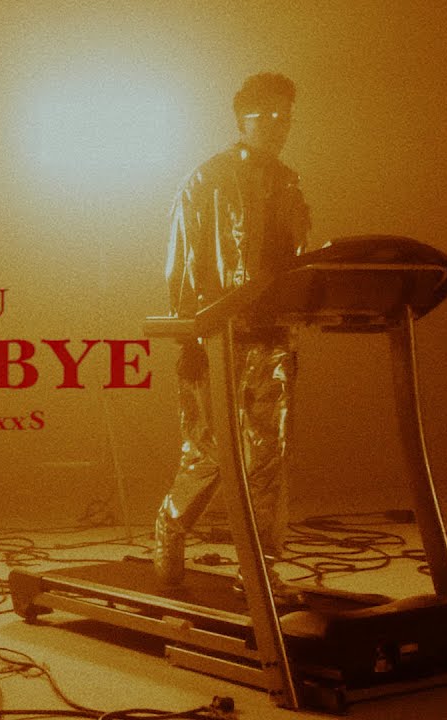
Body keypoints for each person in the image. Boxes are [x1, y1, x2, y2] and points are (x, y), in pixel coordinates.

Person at [153, 72, 311, 596]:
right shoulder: (207, 179)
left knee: (268, 453)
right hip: (217, 335)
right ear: (242, 118)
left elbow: (295, 260)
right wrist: (188, 336)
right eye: (266, 115)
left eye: (285, 116)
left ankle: (259, 568)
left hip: (272, 336)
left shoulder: (289, 183)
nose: (278, 125)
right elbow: (182, 260)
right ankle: (171, 525)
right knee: (209, 451)